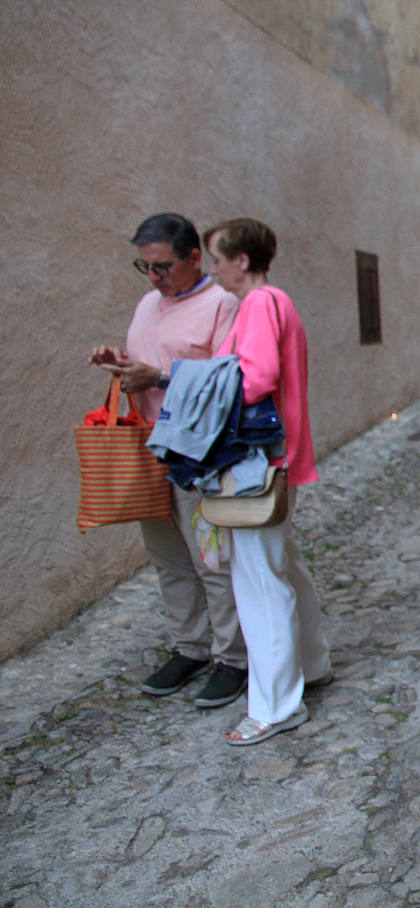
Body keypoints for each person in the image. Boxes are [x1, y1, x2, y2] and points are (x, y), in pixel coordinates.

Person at [87, 212, 248, 709]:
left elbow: (228, 380)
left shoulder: (222, 304)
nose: (154, 277)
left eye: (162, 266)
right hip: (148, 447)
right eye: (145, 267)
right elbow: (151, 361)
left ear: (194, 258)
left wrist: (156, 377)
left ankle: (233, 659)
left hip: (196, 451)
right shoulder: (147, 303)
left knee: (212, 559)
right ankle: (191, 647)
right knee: (168, 558)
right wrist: (120, 363)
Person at [202, 218, 332, 745]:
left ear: (241, 260)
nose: (212, 269)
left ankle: (276, 706)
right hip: (278, 458)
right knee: (282, 565)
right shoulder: (278, 302)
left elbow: (254, 378)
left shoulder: (257, 304)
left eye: (216, 258)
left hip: (255, 463)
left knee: (259, 580)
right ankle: (312, 663)